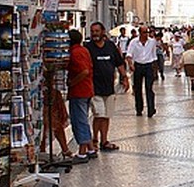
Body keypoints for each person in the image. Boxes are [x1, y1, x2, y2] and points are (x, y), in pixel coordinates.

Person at [86, 22, 128, 152]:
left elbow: (119, 63)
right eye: (92, 31)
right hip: (95, 88)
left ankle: (104, 141)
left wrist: (124, 77)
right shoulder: (88, 47)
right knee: (99, 114)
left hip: (109, 88)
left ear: (103, 31)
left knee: (107, 115)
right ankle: (95, 140)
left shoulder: (111, 47)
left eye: (97, 31)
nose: (94, 34)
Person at [66, 29, 95, 158]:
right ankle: (90, 148)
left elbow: (84, 71)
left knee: (79, 120)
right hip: (87, 89)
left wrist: (72, 82)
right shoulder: (84, 50)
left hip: (79, 91)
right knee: (83, 119)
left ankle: (82, 152)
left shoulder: (75, 53)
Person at [126, 26, 157, 117]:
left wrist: (155, 69)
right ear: (140, 33)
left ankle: (151, 109)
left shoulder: (152, 42)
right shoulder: (133, 42)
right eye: (144, 32)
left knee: (149, 88)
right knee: (137, 88)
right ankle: (139, 108)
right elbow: (129, 55)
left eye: (147, 32)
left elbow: (154, 55)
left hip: (148, 66)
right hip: (138, 66)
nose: (146, 34)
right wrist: (131, 64)